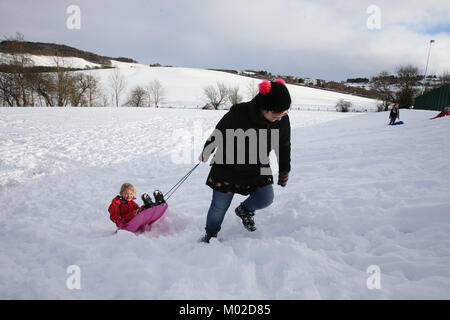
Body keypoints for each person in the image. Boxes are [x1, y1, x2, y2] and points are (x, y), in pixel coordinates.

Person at [198, 79, 291, 243]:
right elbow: (219, 131)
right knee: (219, 207)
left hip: (257, 166)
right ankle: (210, 235)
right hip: (228, 166)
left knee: (266, 198)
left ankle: (245, 210)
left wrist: (284, 170)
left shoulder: (282, 120)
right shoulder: (239, 112)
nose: (279, 119)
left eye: (283, 114)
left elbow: (283, 145)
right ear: (264, 108)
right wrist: (207, 150)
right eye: (276, 115)